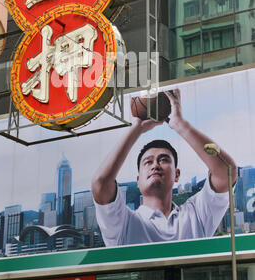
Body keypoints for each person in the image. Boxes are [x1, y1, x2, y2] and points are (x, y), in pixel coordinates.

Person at [91, 89, 237, 246]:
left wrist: (180, 125)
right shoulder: (123, 224)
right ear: (138, 180)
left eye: (164, 160)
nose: (155, 165)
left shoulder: (195, 215)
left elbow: (226, 172)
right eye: (148, 162)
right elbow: (101, 183)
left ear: (177, 175)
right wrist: (137, 128)